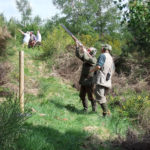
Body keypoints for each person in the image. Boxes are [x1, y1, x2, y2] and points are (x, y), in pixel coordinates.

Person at [90, 44, 115, 117]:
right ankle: (105, 113)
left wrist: (91, 71)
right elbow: (113, 70)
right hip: (107, 81)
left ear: (105, 48)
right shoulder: (110, 57)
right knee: (102, 96)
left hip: (101, 80)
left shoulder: (102, 55)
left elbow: (98, 66)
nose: (101, 48)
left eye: (102, 47)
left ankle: (106, 114)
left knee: (100, 97)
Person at [75, 40, 97, 112]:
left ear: (92, 52)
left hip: (89, 81)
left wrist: (84, 50)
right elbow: (78, 55)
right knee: (82, 95)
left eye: (89, 51)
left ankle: (94, 109)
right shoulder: (86, 57)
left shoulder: (94, 59)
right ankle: (85, 108)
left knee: (91, 97)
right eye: (88, 50)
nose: (88, 51)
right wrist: (77, 46)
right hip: (84, 80)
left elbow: (86, 58)